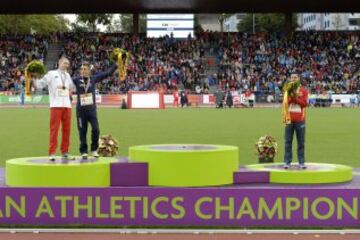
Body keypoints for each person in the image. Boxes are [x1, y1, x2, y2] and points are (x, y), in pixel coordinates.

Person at [72, 61, 117, 159]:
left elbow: (107, 73)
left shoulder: (93, 79)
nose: (83, 71)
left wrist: (116, 65)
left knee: (96, 129)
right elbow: (66, 82)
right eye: (82, 69)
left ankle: (93, 150)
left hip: (91, 110)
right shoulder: (76, 80)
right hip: (80, 111)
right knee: (82, 131)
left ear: (89, 70)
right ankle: (84, 151)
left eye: (85, 69)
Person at [33, 57, 75, 161]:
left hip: (67, 106)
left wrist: (70, 93)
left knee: (67, 130)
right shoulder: (51, 74)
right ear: (59, 63)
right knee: (54, 129)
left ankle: (65, 151)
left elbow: (71, 87)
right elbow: (39, 85)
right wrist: (33, 77)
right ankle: (52, 152)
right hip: (56, 106)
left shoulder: (68, 75)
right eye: (65, 63)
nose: (66, 65)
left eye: (68, 64)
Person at [283, 74, 309, 169]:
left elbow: (304, 104)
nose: (293, 79)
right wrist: (292, 97)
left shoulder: (303, 91)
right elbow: (286, 103)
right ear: (290, 79)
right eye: (292, 77)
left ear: (298, 79)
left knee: (301, 142)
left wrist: (295, 98)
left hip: (300, 120)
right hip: (289, 119)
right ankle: (287, 162)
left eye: (295, 77)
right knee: (288, 142)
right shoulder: (287, 90)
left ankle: (301, 162)